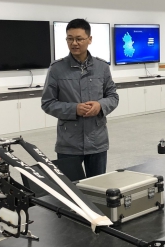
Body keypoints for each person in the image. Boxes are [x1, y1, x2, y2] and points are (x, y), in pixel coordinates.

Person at [42, 18, 119, 177]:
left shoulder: (102, 67)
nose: (74, 43)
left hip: (97, 141)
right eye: (70, 39)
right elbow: (48, 103)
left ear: (89, 39)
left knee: (97, 186)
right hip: (69, 143)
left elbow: (113, 96)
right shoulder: (57, 69)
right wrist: (74, 109)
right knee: (71, 188)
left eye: (79, 39)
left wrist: (100, 105)